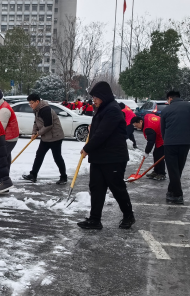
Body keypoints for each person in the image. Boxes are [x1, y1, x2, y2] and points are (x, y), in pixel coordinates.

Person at [78, 82, 135, 230]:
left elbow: (103, 133)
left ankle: (128, 215)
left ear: (103, 96)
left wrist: (87, 148)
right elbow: (99, 129)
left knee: (117, 188)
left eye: (96, 97)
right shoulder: (103, 108)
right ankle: (95, 219)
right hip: (100, 157)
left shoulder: (113, 110)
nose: (94, 100)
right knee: (96, 188)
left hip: (113, 157)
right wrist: (92, 129)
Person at [159, 90, 190, 204]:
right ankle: (171, 191)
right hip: (185, 142)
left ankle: (177, 195)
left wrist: (166, 140)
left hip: (170, 143)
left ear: (170, 98)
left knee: (173, 169)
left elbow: (162, 129)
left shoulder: (166, 110)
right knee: (178, 168)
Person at [21, 93, 67, 184]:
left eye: (31, 103)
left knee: (57, 157)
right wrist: (34, 132)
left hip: (55, 137)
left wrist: (38, 133)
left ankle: (63, 177)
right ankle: (33, 175)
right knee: (39, 155)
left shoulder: (45, 110)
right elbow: (36, 122)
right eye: (29, 103)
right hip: (46, 137)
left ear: (37, 102)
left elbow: (49, 125)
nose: (30, 105)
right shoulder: (36, 110)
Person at [131, 114, 166, 180]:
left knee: (159, 155)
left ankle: (161, 174)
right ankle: (156, 171)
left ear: (141, 121)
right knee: (156, 154)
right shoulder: (147, 116)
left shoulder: (148, 128)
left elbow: (151, 141)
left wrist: (147, 152)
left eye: (136, 126)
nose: (137, 128)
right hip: (161, 133)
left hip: (163, 137)